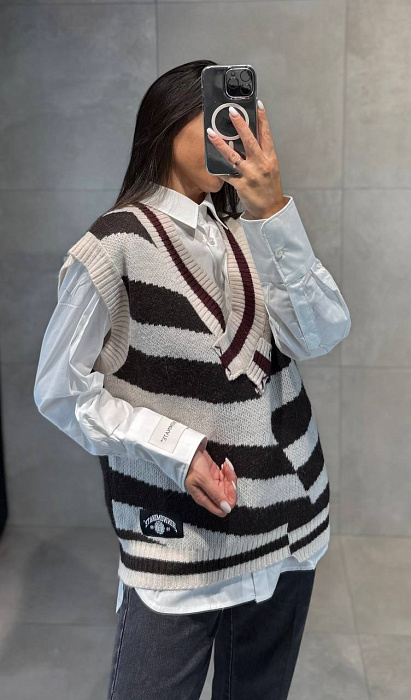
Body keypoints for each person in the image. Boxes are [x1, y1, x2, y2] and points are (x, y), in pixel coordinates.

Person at [34, 59, 351, 700]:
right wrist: (177, 452)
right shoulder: (114, 246)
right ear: (167, 121)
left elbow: (320, 334)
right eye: (215, 116)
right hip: (179, 542)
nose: (231, 133)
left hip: (290, 529)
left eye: (241, 118)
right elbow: (62, 390)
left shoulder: (252, 235)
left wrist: (273, 213)